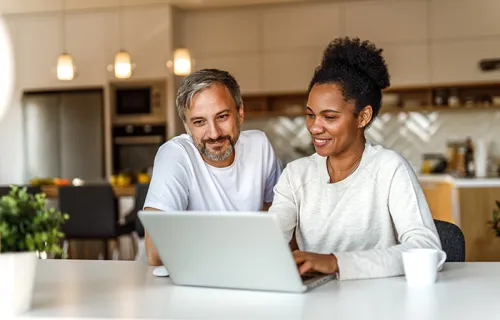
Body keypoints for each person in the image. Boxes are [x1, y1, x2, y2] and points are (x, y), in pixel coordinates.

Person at [268, 37, 445, 281]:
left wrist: (335, 262)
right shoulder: (296, 175)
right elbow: (270, 240)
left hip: (381, 302)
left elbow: (427, 249)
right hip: (318, 302)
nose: (314, 127)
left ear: (362, 117)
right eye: (310, 115)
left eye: (329, 117)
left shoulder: (389, 168)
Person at [143, 68, 282, 266]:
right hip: (181, 281)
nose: (214, 133)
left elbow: (278, 221)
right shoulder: (174, 155)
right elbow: (155, 253)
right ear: (186, 125)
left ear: (240, 113)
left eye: (222, 117)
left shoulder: (259, 145)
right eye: (199, 122)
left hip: (247, 271)